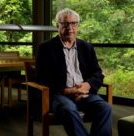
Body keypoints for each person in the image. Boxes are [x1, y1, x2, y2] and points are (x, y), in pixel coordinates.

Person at [36, 8, 112, 136]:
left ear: (78, 26)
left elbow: (98, 73)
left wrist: (86, 86)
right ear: (57, 26)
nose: (69, 28)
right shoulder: (45, 48)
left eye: (73, 23)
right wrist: (69, 91)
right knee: (69, 109)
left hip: (83, 93)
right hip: (59, 95)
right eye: (65, 24)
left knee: (105, 108)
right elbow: (43, 77)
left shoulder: (86, 47)